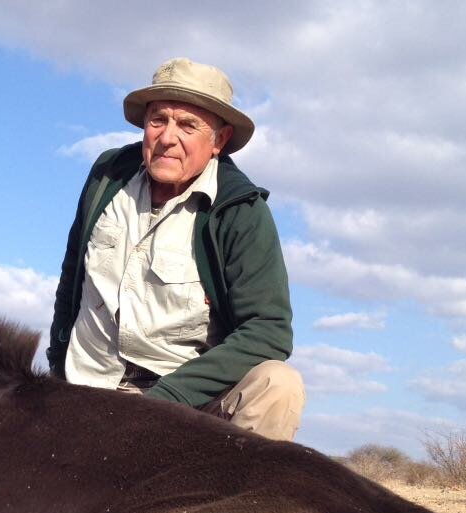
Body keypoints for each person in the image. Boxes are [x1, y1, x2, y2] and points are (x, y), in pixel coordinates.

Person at [47, 58, 304, 441]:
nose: (168, 137)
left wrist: (167, 399)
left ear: (218, 140)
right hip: (90, 389)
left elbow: (269, 331)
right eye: (158, 120)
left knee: (278, 386)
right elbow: (73, 275)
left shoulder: (241, 210)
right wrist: (56, 367)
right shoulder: (108, 176)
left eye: (188, 125)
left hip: (185, 401)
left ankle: (234, 500)